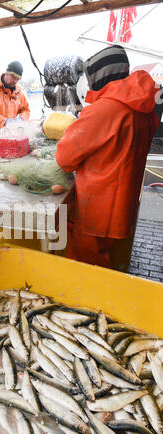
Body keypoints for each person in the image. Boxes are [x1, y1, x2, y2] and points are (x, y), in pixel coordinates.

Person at [55, 45, 160, 269]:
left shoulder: (104, 110)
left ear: (99, 77)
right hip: (124, 204)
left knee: (86, 269)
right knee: (107, 261)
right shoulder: (146, 107)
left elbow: (65, 158)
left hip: (97, 209)